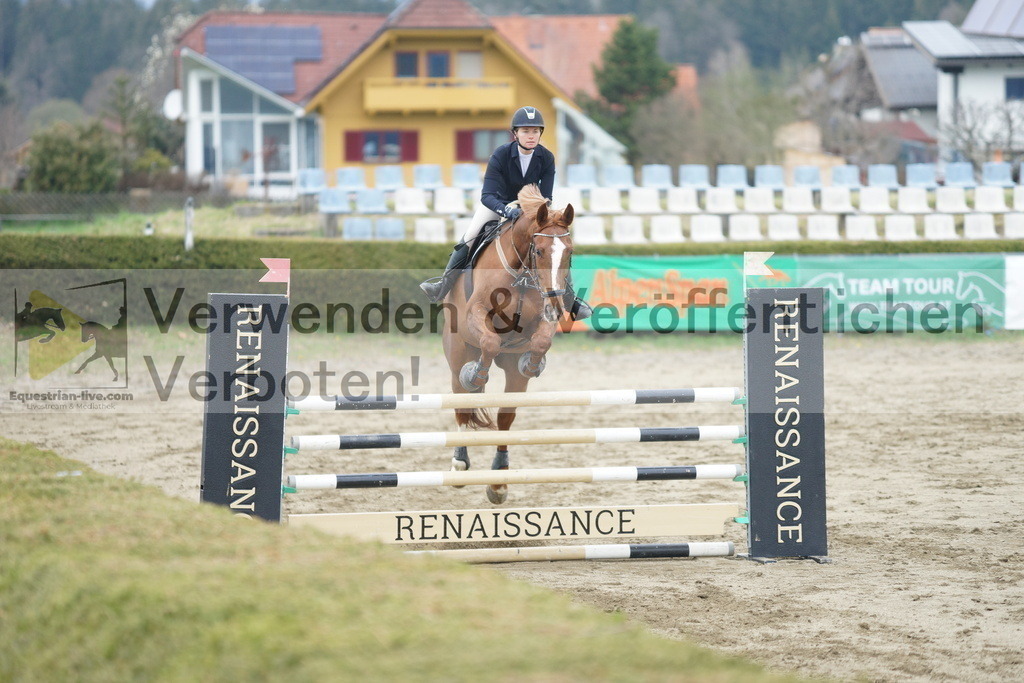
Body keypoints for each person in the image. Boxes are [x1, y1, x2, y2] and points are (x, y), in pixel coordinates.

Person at [419, 106, 592, 320]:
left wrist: (530, 212)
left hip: (529, 210)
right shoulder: (501, 155)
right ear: (515, 133)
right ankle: (442, 286)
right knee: (470, 237)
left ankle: (570, 300)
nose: (531, 136)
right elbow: (487, 195)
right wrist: (506, 210)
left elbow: (546, 196)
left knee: (554, 244)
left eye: (535, 131)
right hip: (497, 205)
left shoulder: (546, 157)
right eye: (526, 131)